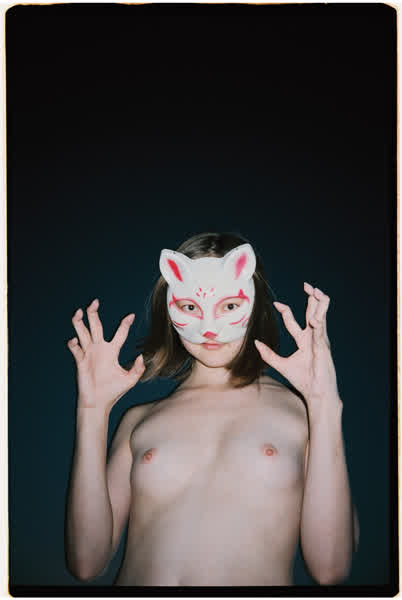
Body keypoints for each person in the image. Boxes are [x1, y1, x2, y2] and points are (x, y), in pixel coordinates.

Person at [65, 232, 359, 586]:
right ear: (170, 308)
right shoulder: (137, 421)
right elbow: (86, 562)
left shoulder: (303, 415)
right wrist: (92, 410)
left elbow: (331, 568)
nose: (209, 328)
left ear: (254, 306)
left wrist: (324, 402)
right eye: (191, 307)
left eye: (230, 306)